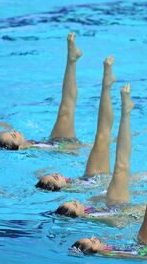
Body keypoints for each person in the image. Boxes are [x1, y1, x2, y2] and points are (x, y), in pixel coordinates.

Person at [70, 127, 147, 257]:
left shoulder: (109, 250)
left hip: (143, 244)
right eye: (92, 242)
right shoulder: (108, 253)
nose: (94, 237)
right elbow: (119, 223)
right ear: (92, 251)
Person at [36, 55, 116, 191]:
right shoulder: (74, 191)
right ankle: (106, 85)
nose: (55, 173)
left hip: (91, 176)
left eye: (52, 174)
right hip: (96, 176)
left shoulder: (71, 184)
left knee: (101, 136)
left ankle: (105, 84)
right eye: (55, 177)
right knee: (102, 137)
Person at [54, 83, 134, 217]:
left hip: (108, 194)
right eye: (74, 204)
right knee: (121, 165)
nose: (74, 200)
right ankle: (125, 111)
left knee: (104, 142)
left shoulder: (89, 211)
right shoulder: (94, 217)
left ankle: (122, 107)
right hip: (119, 204)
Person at [0, 32, 83, 150]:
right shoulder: (32, 151)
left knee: (65, 109)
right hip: (67, 148)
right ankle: (72, 60)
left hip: (57, 140)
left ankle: (72, 60)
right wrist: (80, 148)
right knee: (67, 110)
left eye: (12, 131)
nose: (15, 131)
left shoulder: (28, 144)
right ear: (19, 147)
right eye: (13, 135)